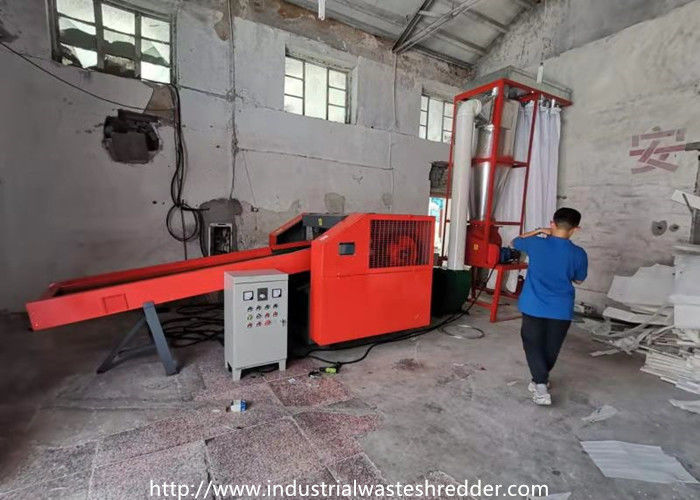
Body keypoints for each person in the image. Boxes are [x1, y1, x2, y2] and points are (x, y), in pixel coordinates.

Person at [511, 207, 588, 406]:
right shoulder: (579, 253)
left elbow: (515, 241)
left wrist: (538, 231)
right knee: (551, 347)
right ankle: (540, 380)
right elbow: (579, 280)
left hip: (533, 305)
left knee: (532, 344)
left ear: (552, 224)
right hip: (561, 309)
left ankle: (540, 385)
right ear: (575, 229)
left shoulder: (536, 243)